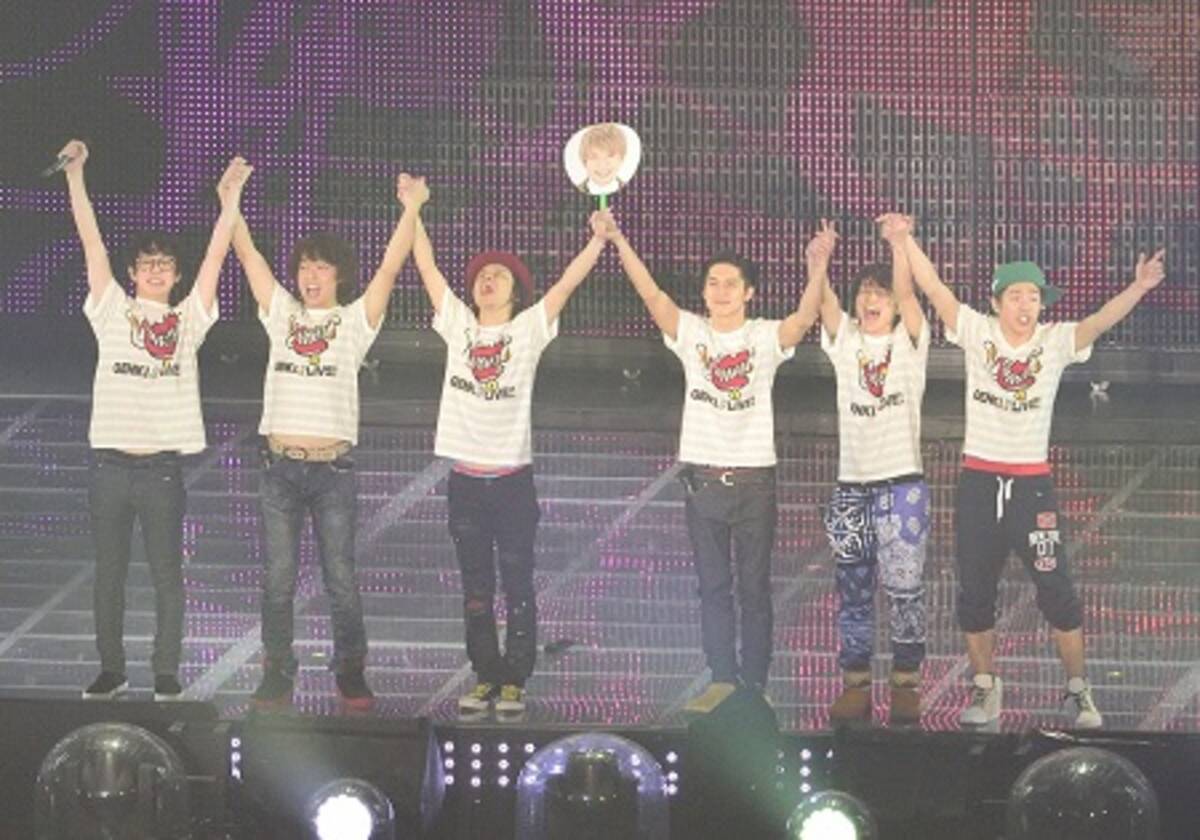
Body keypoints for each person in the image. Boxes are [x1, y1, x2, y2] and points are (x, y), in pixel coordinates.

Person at [903, 222, 1167, 729]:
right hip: (979, 483)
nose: (1027, 306)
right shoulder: (977, 332)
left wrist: (1138, 287)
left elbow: (1098, 322)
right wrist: (904, 241)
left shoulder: (1053, 341)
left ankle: (1078, 690)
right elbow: (933, 288)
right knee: (975, 592)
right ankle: (985, 688)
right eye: (1017, 296)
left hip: (1031, 487)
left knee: (1056, 589)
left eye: (1034, 297)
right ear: (997, 302)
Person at [608, 218, 824, 713]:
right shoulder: (692, 333)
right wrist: (618, 239)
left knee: (754, 588)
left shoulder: (762, 336)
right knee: (713, 587)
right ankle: (722, 676)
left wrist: (817, 268)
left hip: (754, 482)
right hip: (704, 483)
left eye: (731, 284)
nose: (721, 291)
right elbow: (652, 295)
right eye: (713, 283)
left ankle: (755, 682)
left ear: (748, 293)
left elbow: (802, 320)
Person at [62, 139, 251, 701]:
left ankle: (165, 671)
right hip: (109, 468)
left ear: (175, 275)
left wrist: (230, 201)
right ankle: (112, 669)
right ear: (132, 272)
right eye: (147, 264)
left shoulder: (189, 319)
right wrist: (76, 176)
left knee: (168, 574)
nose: (155, 271)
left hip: (162, 470)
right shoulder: (112, 309)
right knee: (110, 574)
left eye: (164, 264)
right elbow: (90, 240)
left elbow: (216, 258)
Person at [411, 187, 610, 716]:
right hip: (466, 482)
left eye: (499, 275)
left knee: (518, 583)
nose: (488, 280)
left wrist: (597, 241)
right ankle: (485, 675)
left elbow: (566, 284)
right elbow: (427, 268)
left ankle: (516, 677)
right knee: (476, 587)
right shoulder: (459, 325)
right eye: (482, 275)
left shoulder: (527, 331)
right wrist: (413, 210)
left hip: (512, 482)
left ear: (515, 292)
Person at [232, 173, 422, 711]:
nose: (309, 276)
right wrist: (231, 203)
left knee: (340, 577)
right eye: (303, 267)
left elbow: (390, 267)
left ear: (339, 275)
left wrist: (411, 208)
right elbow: (248, 257)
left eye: (320, 267)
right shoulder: (282, 314)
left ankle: (351, 670)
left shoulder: (354, 320)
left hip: (332, 472)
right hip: (279, 469)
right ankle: (276, 670)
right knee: (278, 579)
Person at [812, 215, 932, 725]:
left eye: (879, 293)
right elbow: (824, 303)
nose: (870, 299)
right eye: (864, 292)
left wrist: (900, 246)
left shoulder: (909, 342)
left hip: (901, 486)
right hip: (851, 487)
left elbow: (908, 294)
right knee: (853, 590)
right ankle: (856, 683)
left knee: (905, 591)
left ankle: (905, 682)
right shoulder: (845, 342)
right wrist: (819, 262)